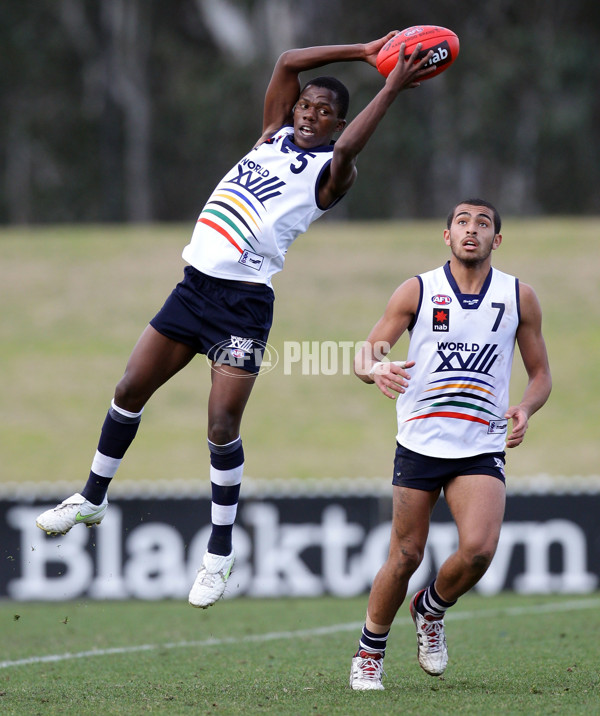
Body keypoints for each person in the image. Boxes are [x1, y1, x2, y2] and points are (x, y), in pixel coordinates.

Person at [36, 34, 436, 609]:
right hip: (193, 289)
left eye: (325, 112)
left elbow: (349, 150)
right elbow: (287, 63)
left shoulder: (332, 172)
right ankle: (92, 498)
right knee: (128, 389)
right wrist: (367, 50)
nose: (311, 115)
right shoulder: (271, 134)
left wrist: (392, 83)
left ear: (336, 123)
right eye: (306, 105)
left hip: (243, 306)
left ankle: (219, 555)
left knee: (222, 423)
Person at [349, 199, 552, 690]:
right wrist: (376, 368)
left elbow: (541, 374)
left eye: (483, 224)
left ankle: (431, 608)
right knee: (405, 555)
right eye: (462, 222)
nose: (471, 230)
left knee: (479, 550)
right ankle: (369, 652)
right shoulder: (418, 290)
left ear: (496, 240)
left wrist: (525, 408)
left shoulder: (518, 296)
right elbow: (363, 354)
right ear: (447, 235)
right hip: (420, 441)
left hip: (480, 443)